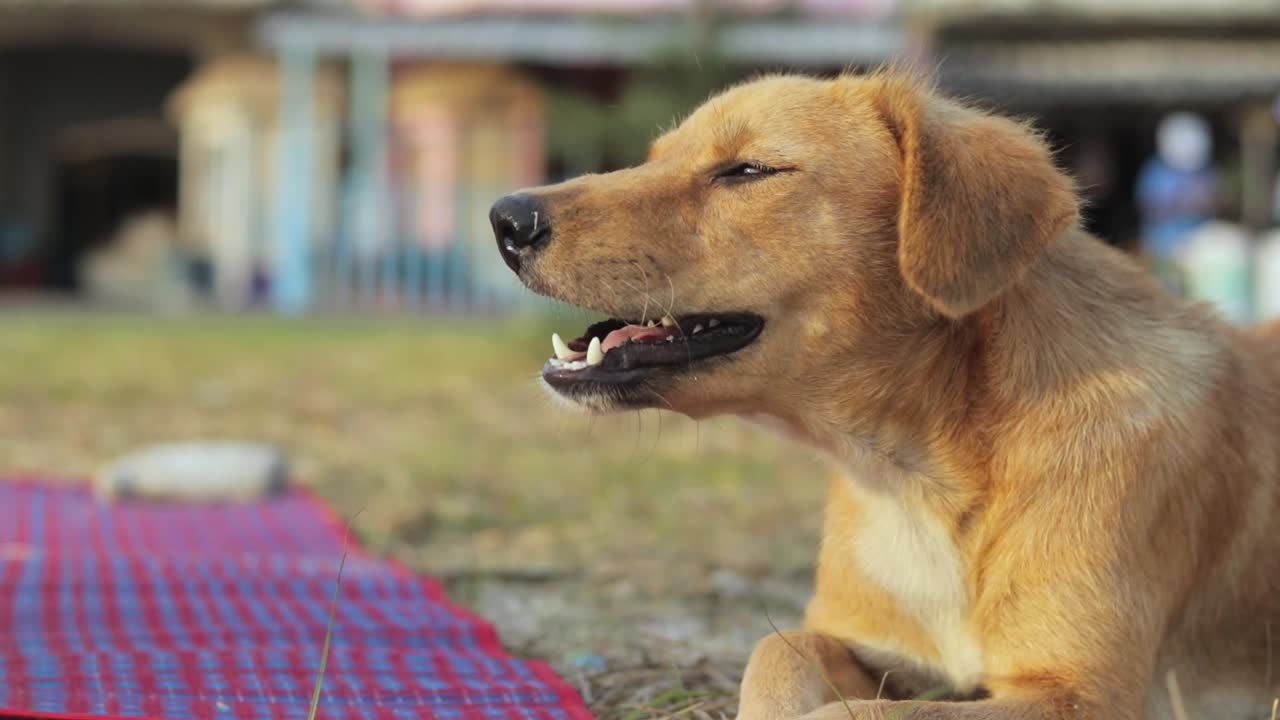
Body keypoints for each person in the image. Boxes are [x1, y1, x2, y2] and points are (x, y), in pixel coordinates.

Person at [1135, 112, 1221, 295]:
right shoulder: (1155, 172)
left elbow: (1216, 200)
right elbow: (1149, 208)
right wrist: (1185, 204)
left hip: (1201, 247)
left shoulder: (1206, 170)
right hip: (1165, 246)